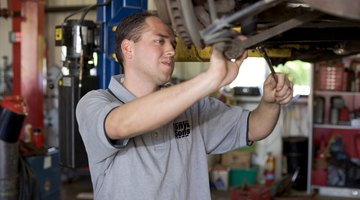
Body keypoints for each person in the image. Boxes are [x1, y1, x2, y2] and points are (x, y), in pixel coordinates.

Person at [76, 12, 293, 200]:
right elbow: (120, 125)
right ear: (128, 49)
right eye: (160, 41)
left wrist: (269, 103)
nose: (171, 50)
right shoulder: (95, 103)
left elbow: (253, 127)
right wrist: (211, 79)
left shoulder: (192, 108)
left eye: (173, 43)